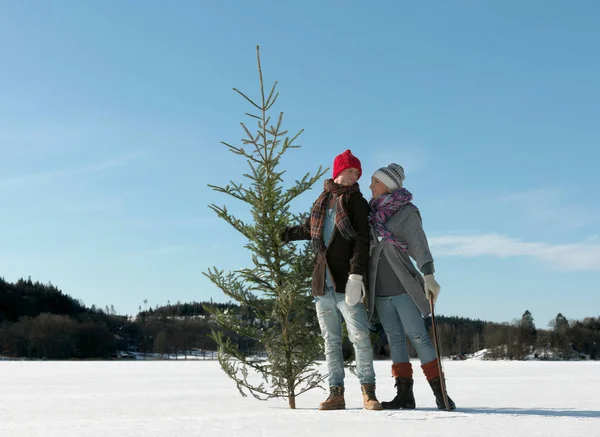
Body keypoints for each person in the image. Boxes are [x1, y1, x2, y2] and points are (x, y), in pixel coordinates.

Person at [279, 150, 382, 411]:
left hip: (346, 283)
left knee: (359, 336)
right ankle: (336, 393)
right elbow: (310, 228)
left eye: (357, 173)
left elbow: (361, 240)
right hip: (321, 283)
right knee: (331, 341)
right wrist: (286, 234)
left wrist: (356, 276)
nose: (354, 176)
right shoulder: (323, 200)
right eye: (350, 171)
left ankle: (368, 393)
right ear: (337, 172)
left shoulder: (357, 202)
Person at [367, 163, 456, 411]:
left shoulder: (406, 213)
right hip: (380, 290)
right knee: (395, 340)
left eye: (375, 181)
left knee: (419, 338)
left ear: (388, 184)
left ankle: (441, 394)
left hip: (403, 287)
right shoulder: (370, 214)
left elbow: (419, 244)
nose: (370, 186)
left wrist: (429, 275)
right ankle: (405, 395)